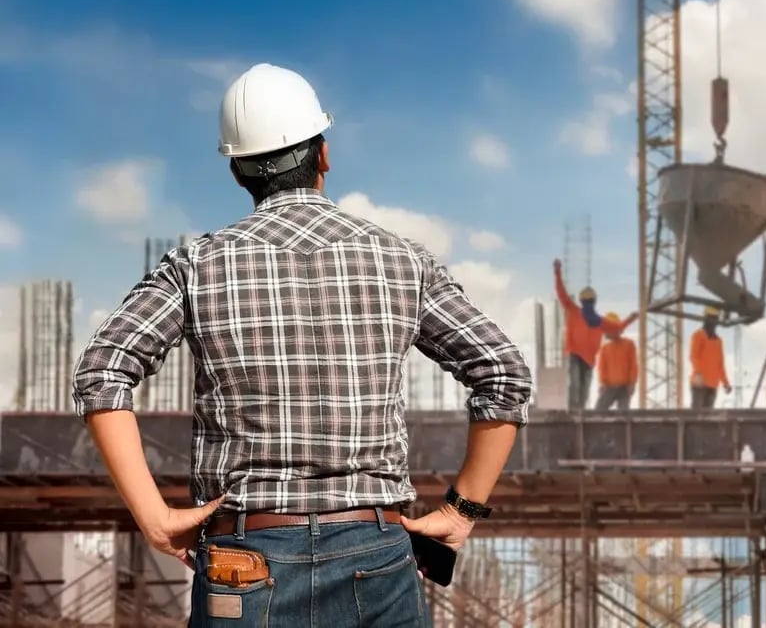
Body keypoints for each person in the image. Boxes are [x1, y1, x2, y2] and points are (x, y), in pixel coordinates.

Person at [72, 63, 532, 627]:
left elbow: (102, 371)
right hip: (376, 555)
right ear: (325, 155)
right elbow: (504, 373)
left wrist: (154, 515)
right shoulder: (402, 261)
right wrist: (461, 510)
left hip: (245, 560)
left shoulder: (195, 266)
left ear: (238, 170)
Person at [552, 259, 636, 410]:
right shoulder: (574, 311)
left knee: (583, 391)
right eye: (586, 301)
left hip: (589, 360)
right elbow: (562, 294)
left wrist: (630, 319)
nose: (587, 304)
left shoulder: (600, 321)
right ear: (582, 301)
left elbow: (617, 327)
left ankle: (580, 412)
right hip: (575, 354)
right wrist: (557, 272)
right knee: (575, 385)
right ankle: (573, 411)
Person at [689, 306, 732, 409]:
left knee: (708, 418)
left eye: (714, 318)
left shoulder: (718, 341)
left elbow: (720, 365)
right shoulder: (698, 336)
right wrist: (698, 373)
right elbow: (693, 356)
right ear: (705, 318)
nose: (712, 321)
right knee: (696, 416)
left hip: (713, 384)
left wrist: (726, 383)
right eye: (710, 317)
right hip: (700, 384)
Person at [595, 313, 639, 410]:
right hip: (609, 387)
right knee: (598, 411)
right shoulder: (605, 348)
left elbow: (633, 365)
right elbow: (602, 368)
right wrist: (603, 383)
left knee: (623, 415)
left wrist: (632, 383)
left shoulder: (629, 345)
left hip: (624, 387)